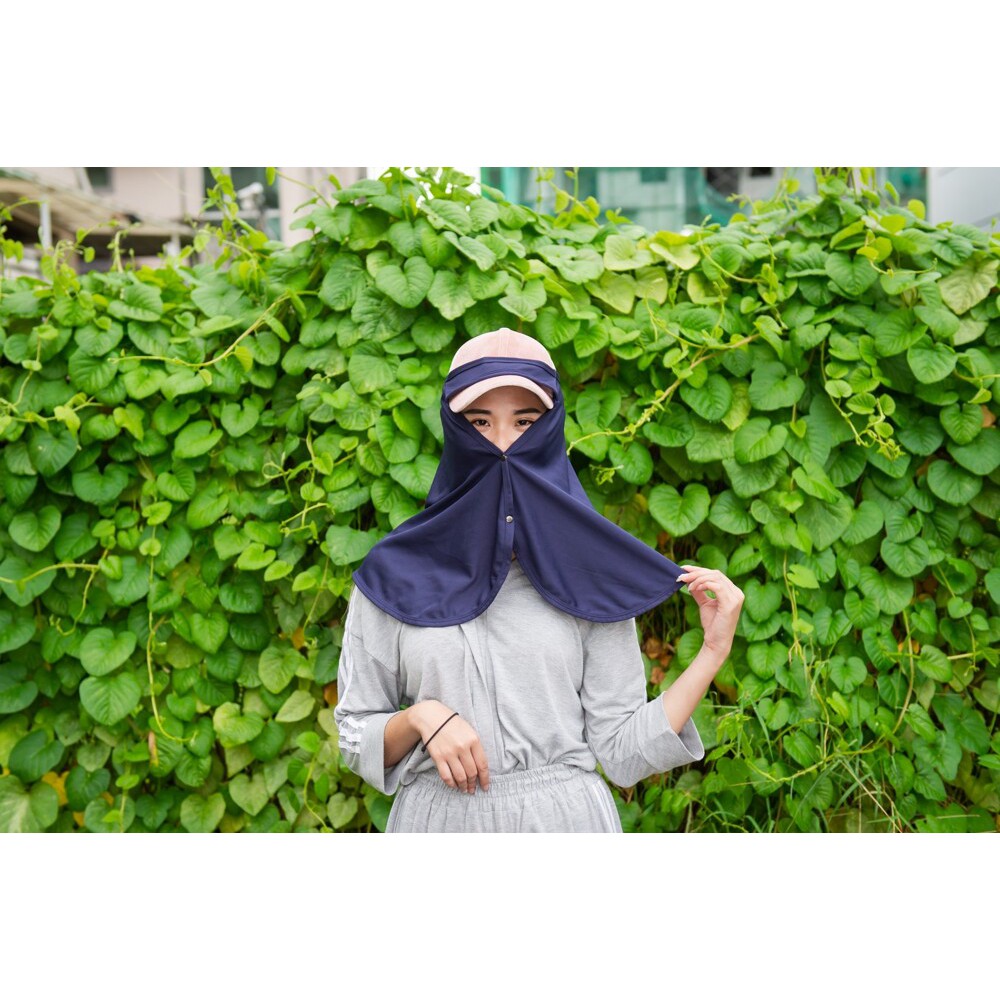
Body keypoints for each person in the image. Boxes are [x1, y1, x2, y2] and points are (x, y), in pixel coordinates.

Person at [334, 328, 744, 832]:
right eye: (480, 422)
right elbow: (353, 733)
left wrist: (712, 653)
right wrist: (422, 718)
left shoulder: (588, 570)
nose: (502, 444)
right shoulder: (392, 573)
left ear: (549, 430)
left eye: (524, 422)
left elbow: (622, 753)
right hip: (438, 824)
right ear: (453, 429)